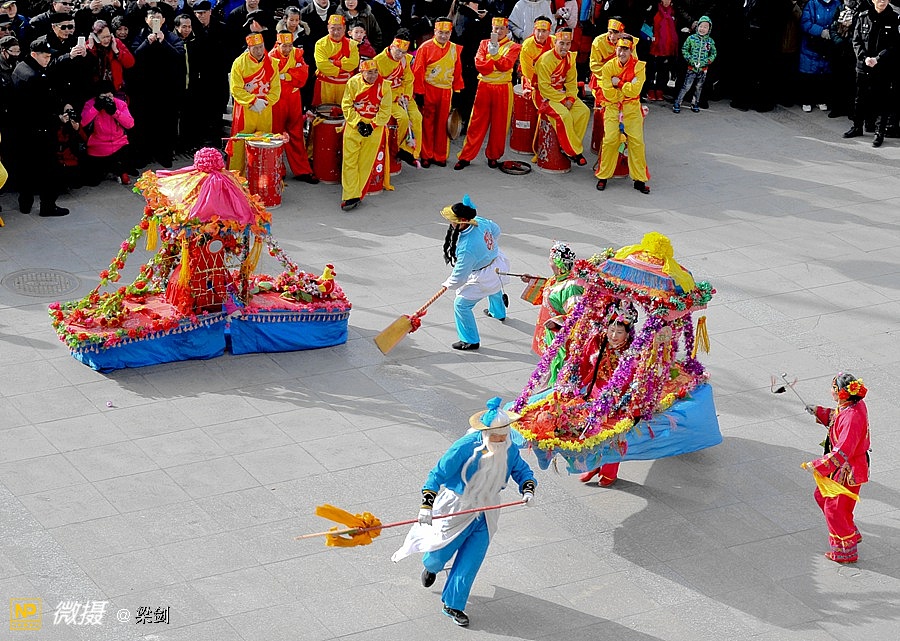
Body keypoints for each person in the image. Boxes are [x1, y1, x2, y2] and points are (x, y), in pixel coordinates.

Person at [391, 396, 537, 628]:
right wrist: (426, 505)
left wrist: (528, 488)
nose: (501, 441)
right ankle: (431, 567)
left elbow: (522, 470)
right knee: (438, 555)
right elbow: (437, 474)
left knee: (471, 560)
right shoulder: (464, 446)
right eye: (497, 437)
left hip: (487, 510)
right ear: (486, 433)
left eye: (504, 436)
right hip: (457, 507)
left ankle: (453, 604)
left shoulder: (508, 447)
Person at [803, 373, 870, 563]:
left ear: (842, 393)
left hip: (846, 470)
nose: (831, 391)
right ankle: (849, 530)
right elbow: (837, 418)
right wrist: (820, 412)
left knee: (834, 508)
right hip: (842, 467)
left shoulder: (852, 417)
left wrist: (817, 466)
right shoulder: (852, 406)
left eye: (833, 388)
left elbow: (843, 450)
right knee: (823, 497)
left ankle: (846, 551)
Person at [578, 301, 638, 486]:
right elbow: (584, 364)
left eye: (619, 332)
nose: (614, 336)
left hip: (619, 399)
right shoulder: (598, 341)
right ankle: (594, 465)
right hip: (596, 393)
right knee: (592, 430)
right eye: (611, 330)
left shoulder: (633, 351)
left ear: (628, 334)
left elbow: (634, 379)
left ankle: (609, 471)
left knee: (613, 435)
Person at [439, 195, 510, 351]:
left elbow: (459, 277)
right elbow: (496, 230)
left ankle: (470, 340)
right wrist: (487, 249)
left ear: (463, 221)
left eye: (452, 220)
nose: (450, 222)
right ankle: (498, 312)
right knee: (495, 287)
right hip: (498, 263)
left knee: (461, 305)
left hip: (484, 275)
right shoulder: (480, 221)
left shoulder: (466, 248)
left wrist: (448, 284)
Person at [11, 36, 69, 216]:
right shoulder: (35, 77)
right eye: (45, 56)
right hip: (40, 130)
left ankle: (25, 203)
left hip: (22, 130)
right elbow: (40, 109)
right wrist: (59, 119)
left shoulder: (21, 67)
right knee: (48, 170)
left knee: (26, 168)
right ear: (34, 54)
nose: (48, 60)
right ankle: (48, 206)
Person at [453, 17, 521, 170]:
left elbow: (506, 65)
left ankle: (493, 156)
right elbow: (479, 65)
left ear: (507, 30)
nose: (499, 31)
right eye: (496, 28)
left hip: (503, 88)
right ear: (492, 29)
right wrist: (495, 63)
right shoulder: (484, 43)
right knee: (476, 123)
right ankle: (466, 156)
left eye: (502, 28)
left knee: (500, 125)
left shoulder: (514, 47)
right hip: (484, 86)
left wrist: (494, 57)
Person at [520, 241, 583, 386]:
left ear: (559, 265)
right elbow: (549, 288)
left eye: (551, 261)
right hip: (547, 331)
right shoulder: (557, 279)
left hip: (557, 336)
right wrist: (532, 280)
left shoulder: (571, 288)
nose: (549, 263)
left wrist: (557, 322)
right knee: (546, 366)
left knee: (554, 370)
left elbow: (576, 315)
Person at [594, 35, 650, 194]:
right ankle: (603, 175)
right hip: (612, 107)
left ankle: (639, 179)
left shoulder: (639, 67)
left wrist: (618, 83)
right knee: (610, 140)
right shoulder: (608, 67)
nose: (622, 53)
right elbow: (608, 93)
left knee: (637, 142)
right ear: (615, 48)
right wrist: (626, 89)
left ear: (631, 50)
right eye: (620, 49)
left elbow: (635, 91)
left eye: (626, 49)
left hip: (632, 109)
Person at [843, 0, 898, 148]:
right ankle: (857, 127)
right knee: (859, 99)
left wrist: (878, 59)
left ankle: (879, 133)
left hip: (883, 67)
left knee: (882, 100)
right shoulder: (863, 16)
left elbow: (894, 45)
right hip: (864, 66)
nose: (882, 1)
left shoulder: (894, 18)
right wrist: (864, 58)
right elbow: (856, 41)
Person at [339, 57, 391, 211]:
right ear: (361, 72)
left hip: (375, 128)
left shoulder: (385, 86)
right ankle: (349, 195)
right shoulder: (353, 83)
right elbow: (346, 105)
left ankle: (357, 195)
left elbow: (385, 110)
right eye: (369, 72)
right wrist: (358, 123)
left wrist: (372, 125)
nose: (373, 75)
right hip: (354, 126)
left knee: (365, 163)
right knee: (349, 162)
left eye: (375, 72)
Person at [410, 17, 462, 168]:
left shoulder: (454, 49)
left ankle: (440, 155)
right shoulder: (425, 48)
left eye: (447, 33)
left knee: (442, 124)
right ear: (435, 31)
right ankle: (426, 155)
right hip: (429, 89)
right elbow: (418, 71)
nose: (443, 36)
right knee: (427, 123)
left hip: (446, 91)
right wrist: (419, 93)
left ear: (450, 33)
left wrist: (457, 91)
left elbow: (457, 71)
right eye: (440, 32)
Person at [534, 27, 589, 164]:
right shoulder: (545, 60)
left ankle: (570, 144)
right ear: (555, 43)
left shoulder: (570, 58)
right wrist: (564, 100)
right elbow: (544, 87)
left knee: (584, 111)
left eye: (568, 44)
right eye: (561, 43)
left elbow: (571, 82)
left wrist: (571, 98)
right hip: (545, 96)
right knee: (564, 115)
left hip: (561, 93)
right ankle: (573, 151)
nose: (565, 47)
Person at [226, 32, 281, 171]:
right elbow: (236, 89)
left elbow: (276, 89)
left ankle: (262, 176)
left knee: (264, 142)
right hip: (245, 110)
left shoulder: (272, 63)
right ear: (248, 48)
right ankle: (237, 176)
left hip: (265, 110)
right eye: (255, 48)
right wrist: (253, 100)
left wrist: (265, 101)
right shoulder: (239, 63)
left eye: (261, 47)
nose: (259, 51)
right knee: (240, 144)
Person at [270, 29, 318, 183]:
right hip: (277, 100)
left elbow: (303, 75)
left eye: (290, 45)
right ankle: (278, 170)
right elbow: (271, 77)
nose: (287, 49)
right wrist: (292, 75)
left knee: (296, 134)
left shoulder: (297, 53)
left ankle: (302, 170)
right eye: (284, 46)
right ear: (277, 44)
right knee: (276, 135)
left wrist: (286, 76)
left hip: (293, 98)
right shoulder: (271, 57)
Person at [373, 29, 421, 167]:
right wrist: (395, 97)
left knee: (417, 118)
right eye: (398, 51)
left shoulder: (405, 60)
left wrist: (406, 95)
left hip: (403, 94)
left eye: (404, 53)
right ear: (392, 46)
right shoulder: (378, 61)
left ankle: (410, 151)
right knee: (403, 118)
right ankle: (398, 148)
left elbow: (408, 80)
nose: (400, 55)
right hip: (387, 97)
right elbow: (377, 86)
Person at [81, 79, 133, 185]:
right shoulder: (90, 104)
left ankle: (120, 170)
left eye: (109, 96)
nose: (106, 99)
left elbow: (130, 124)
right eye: (103, 97)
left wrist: (115, 112)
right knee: (93, 181)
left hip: (119, 144)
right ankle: (107, 170)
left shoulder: (120, 103)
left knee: (124, 159)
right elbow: (82, 123)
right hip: (98, 147)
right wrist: (96, 108)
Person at [797, 0, 839, 114]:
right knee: (809, 74)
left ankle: (821, 99)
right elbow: (805, 22)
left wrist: (833, 32)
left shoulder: (837, 4)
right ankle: (807, 100)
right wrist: (820, 31)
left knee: (824, 74)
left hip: (828, 45)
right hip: (811, 45)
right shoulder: (812, 3)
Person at [313, 13, 359, 105]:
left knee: (344, 110)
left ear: (344, 28)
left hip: (345, 85)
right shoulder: (321, 44)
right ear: (328, 28)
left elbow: (353, 64)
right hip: (325, 85)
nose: (336, 32)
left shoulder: (352, 44)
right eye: (333, 29)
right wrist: (343, 69)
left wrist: (335, 62)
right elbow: (322, 65)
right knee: (324, 110)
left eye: (339, 29)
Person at [672, 15, 715, 114]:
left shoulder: (710, 41)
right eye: (701, 26)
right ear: (697, 26)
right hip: (692, 68)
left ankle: (695, 103)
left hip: (703, 69)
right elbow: (684, 49)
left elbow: (713, 53)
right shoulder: (691, 38)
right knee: (686, 86)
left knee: (699, 87)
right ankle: (677, 102)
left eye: (705, 27)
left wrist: (708, 61)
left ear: (709, 29)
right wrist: (689, 59)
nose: (702, 29)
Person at [84, 19, 135, 96]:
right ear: (95, 37)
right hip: (95, 89)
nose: (106, 40)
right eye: (103, 37)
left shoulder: (116, 42)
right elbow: (86, 67)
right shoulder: (89, 45)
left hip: (115, 88)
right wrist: (91, 49)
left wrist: (117, 51)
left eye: (108, 36)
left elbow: (130, 63)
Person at [645, 0, 677, 101]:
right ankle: (650, 89)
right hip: (655, 43)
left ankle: (660, 89)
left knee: (664, 68)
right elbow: (648, 24)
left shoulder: (674, 12)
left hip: (668, 45)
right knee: (651, 68)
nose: (666, 1)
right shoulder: (654, 9)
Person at [588, 16, 625, 97]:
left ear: (622, 32)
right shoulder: (598, 42)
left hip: (622, 77)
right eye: (610, 32)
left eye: (616, 33)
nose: (612, 36)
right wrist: (609, 78)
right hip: (602, 77)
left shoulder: (628, 42)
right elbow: (595, 66)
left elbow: (633, 63)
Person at [517, 14, 552, 98]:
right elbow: (527, 71)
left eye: (544, 31)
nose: (540, 34)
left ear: (549, 32)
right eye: (538, 30)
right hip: (532, 77)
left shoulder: (554, 42)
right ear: (534, 30)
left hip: (550, 76)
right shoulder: (527, 46)